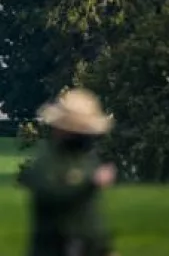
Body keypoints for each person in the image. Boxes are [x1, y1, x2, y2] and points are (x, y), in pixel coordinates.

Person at [18, 88, 118, 256]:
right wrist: (90, 184)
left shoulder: (87, 159)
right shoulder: (46, 161)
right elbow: (51, 194)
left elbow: (88, 216)